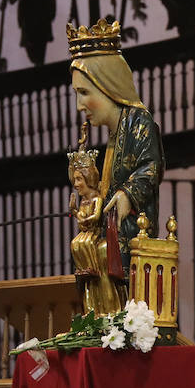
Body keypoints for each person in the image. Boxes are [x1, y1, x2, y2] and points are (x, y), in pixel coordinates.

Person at [66, 19, 164, 288]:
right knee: (83, 249)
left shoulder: (138, 121)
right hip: (109, 226)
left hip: (133, 228)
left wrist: (125, 194)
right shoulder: (112, 132)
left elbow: (150, 167)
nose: (79, 105)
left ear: (108, 85)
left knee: (101, 254)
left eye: (84, 93)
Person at [67, 145, 123, 315]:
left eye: (79, 180)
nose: (76, 184)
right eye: (74, 180)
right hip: (85, 233)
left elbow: (96, 217)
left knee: (87, 242)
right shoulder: (83, 201)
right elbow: (81, 223)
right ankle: (85, 268)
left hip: (94, 235)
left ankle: (91, 266)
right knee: (76, 243)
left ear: (88, 178)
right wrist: (74, 211)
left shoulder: (97, 199)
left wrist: (83, 217)